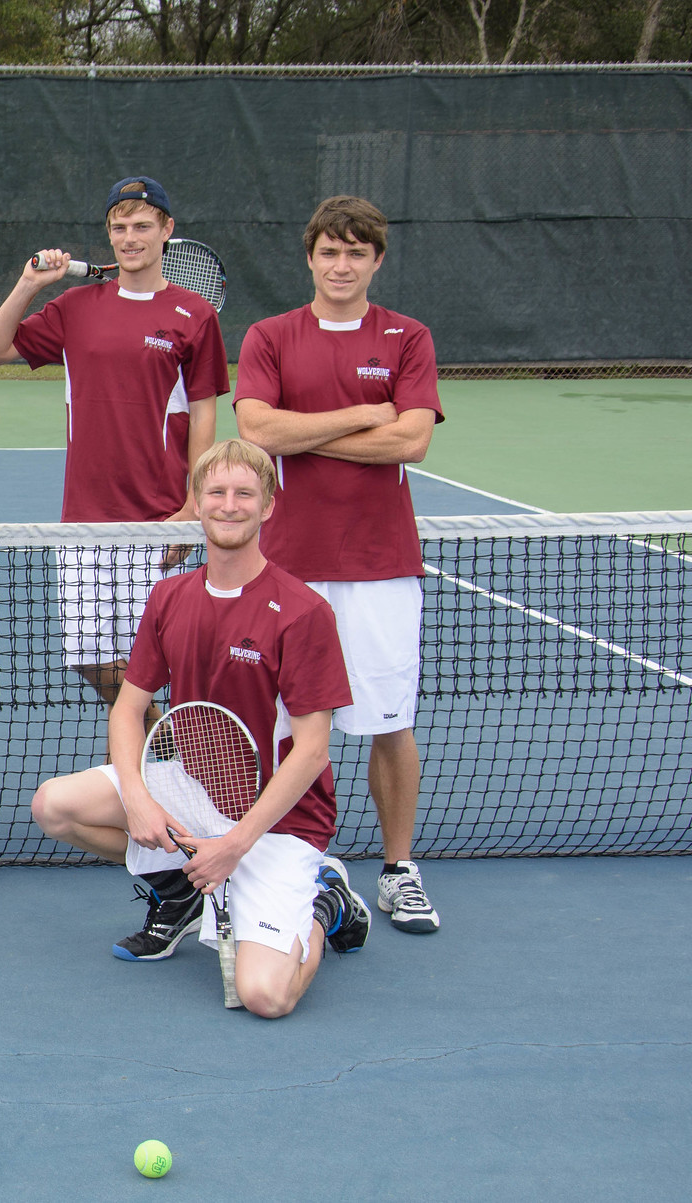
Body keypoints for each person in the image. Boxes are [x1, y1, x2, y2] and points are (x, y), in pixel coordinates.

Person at [29, 440, 369, 1017]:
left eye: (245, 494)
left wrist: (234, 848)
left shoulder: (304, 611)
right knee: (54, 807)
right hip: (197, 789)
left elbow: (311, 753)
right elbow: (127, 709)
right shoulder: (169, 596)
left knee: (266, 997)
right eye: (216, 492)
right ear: (197, 502)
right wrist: (138, 799)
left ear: (268, 507)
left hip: (279, 823)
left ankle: (326, 901)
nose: (229, 505)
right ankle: (183, 890)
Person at [233, 195, 443, 935]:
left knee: (390, 720)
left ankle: (397, 870)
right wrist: (364, 412)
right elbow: (256, 427)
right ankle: (283, 858)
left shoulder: (408, 338)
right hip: (287, 566)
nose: (342, 264)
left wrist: (305, 433)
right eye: (329, 251)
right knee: (281, 724)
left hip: (383, 567)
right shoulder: (271, 335)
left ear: (376, 260)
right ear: (311, 257)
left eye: (357, 252)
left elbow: (411, 441)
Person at [0, 176, 227, 724]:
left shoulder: (195, 316)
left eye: (142, 226)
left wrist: (193, 508)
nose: (130, 237)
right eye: (119, 228)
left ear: (167, 230)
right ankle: (173, 744)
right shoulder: (75, 307)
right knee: (88, 658)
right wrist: (28, 285)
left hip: (158, 522)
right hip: (83, 523)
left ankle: (169, 774)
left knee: (162, 662)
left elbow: (204, 415)